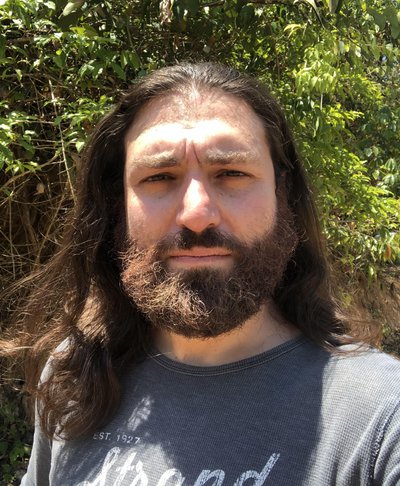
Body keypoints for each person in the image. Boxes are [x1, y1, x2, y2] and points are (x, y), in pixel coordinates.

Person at [4, 62, 399, 485]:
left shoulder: (380, 420)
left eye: (231, 173)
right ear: (118, 205)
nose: (196, 214)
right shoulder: (77, 373)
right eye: (159, 177)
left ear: (282, 193)